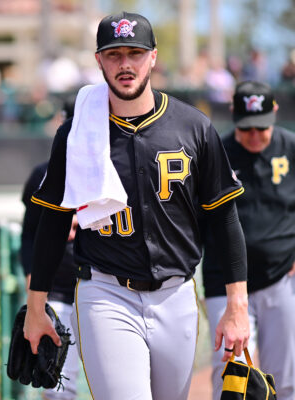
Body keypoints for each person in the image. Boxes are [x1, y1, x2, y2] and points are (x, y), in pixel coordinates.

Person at [23, 11, 250, 400]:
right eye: (113, 54)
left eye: (135, 52)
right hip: (107, 293)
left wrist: (237, 305)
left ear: (153, 57)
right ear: (98, 60)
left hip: (177, 293)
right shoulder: (77, 132)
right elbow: (53, 221)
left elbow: (224, 218)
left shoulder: (193, 126)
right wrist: (35, 305)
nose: (125, 64)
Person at [201, 80, 295, 400]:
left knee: (284, 379)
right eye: (246, 128)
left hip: (279, 278)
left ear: (275, 112)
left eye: (261, 127)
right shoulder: (218, 153)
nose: (254, 135)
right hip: (224, 283)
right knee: (231, 376)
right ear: (233, 114)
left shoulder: (289, 148)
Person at [20, 98, 80, 400]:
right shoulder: (41, 174)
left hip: (102, 288)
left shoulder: (114, 171)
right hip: (55, 289)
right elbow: (29, 233)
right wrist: (32, 277)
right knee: (58, 383)